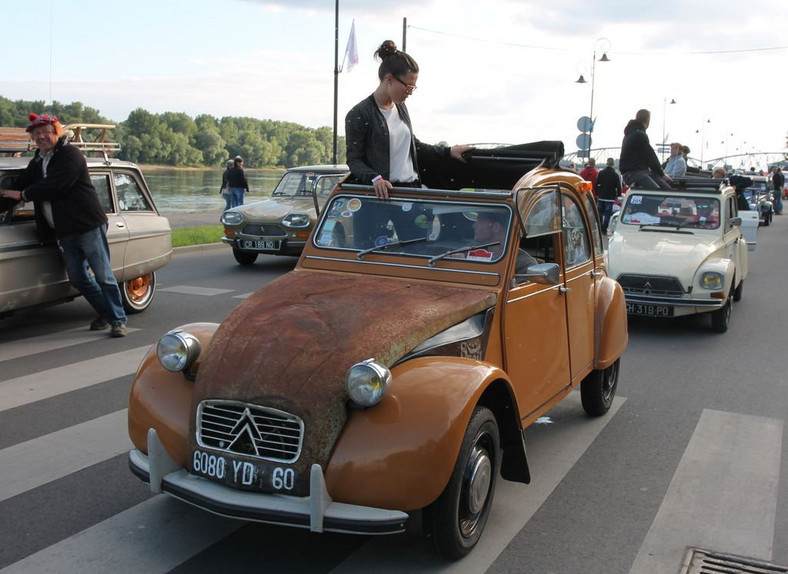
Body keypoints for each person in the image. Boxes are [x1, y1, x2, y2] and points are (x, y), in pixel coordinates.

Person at [0, 113, 127, 337]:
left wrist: (23, 195)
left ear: (56, 132)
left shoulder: (71, 154)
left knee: (103, 275)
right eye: (36, 134)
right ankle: (107, 312)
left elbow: (56, 186)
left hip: (87, 225)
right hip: (63, 231)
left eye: (45, 132)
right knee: (78, 278)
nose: (41, 137)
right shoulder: (38, 161)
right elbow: (19, 185)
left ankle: (118, 321)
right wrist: (8, 197)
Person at [345, 40, 472, 200]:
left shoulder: (400, 107)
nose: (410, 92)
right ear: (389, 79)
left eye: (413, 88)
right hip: (381, 196)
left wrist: (448, 151)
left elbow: (414, 146)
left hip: (411, 190)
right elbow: (354, 159)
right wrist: (375, 179)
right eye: (409, 86)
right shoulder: (359, 113)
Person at [619, 109, 672, 190]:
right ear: (648, 120)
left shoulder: (630, 134)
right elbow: (650, 156)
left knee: (663, 190)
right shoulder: (640, 134)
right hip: (634, 173)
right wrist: (662, 174)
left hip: (632, 173)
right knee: (660, 192)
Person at [472, 211, 537, 275]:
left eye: (480, 221)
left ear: (496, 227)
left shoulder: (524, 264)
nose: (474, 226)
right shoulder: (473, 251)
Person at [594, 158, 623, 234]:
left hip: (601, 196)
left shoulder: (601, 173)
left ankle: (600, 227)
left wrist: (597, 193)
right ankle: (604, 229)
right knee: (607, 215)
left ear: (606, 164)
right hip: (610, 198)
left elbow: (596, 184)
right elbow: (618, 187)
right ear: (613, 164)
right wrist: (618, 195)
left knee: (599, 213)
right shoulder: (615, 175)